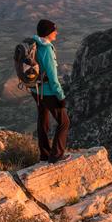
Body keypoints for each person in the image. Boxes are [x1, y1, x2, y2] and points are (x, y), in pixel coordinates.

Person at [31, 19, 70, 163]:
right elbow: (53, 79)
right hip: (47, 91)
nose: (56, 33)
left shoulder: (34, 44)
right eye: (54, 30)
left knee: (43, 120)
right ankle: (56, 155)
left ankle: (45, 154)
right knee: (64, 122)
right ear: (48, 33)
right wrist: (60, 96)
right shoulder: (46, 49)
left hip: (35, 89)